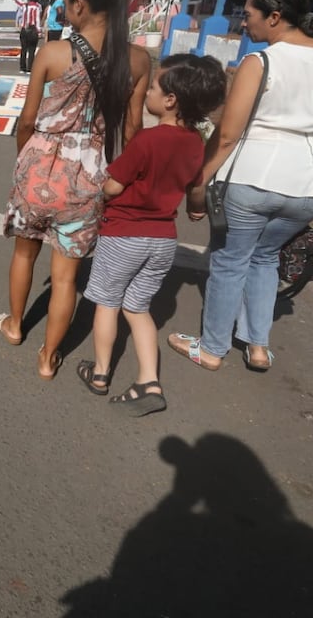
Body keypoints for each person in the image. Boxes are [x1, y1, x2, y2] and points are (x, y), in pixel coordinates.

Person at [168, 0, 313, 372]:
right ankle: (257, 346)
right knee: (266, 257)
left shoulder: (260, 62)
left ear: (274, 17)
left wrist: (199, 183)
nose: (245, 21)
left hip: (254, 177)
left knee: (229, 261)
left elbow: (227, 134)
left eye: (251, 14)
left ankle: (212, 347)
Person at [0, 0, 152, 379]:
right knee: (66, 278)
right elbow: (133, 129)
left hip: (39, 164)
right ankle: (48, 357)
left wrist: (26, 158)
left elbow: (27, 120)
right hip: (90, 174)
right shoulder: (137, 61)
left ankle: (14, 325)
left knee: (24, 253)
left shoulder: (52, 52)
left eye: (66, 1)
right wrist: (117, 177)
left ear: (79, 4)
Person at [79, 54, 227, 415]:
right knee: (138, 308)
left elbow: (114, 187)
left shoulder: (147, 140)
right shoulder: (194, 143)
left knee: (107, 304)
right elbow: (191, 184)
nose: (146, 93)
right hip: (163, 240)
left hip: (124, 235)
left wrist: (95, 183)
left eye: (154, 87)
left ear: (171, 100)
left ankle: (99, 373)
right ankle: (148, 380)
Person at [18, 0, 43, 73]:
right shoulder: (37, 7)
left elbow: (19, 2)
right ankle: (30, 68)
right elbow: (37, 19)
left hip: (24, 29)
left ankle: (22, 68)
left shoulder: (25, 6)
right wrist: (39, 31)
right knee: (32, 50)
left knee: (23, 50)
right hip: (32, 30)